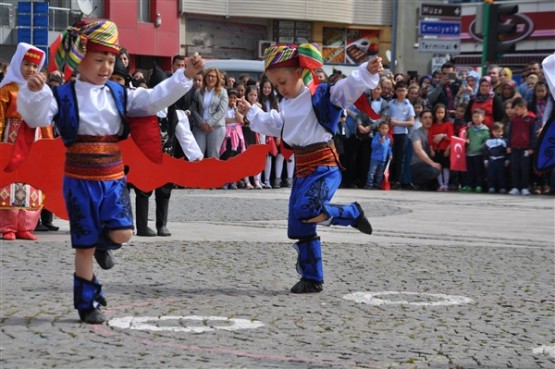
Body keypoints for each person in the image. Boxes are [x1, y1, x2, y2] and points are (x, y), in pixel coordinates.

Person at [17, 20, 204, 324]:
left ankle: (104, 244)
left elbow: (153, 99)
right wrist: (34, 93)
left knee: (123, 232)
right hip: (79, 179)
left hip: (113, 177)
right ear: (80, 59)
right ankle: (87, 304)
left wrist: (184, 76)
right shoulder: (62, 95)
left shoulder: (118, 93)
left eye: (110, 60)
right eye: (99, 59)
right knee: (84, 247)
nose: (106, 67)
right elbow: (35, 116)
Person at [238, 43, 378, 294]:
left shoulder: (323, 95)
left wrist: (366, 70)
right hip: (303, 168)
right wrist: (252, 112)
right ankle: (312, 278)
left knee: (308, 208)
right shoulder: (287, 104)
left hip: (325, 165)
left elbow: (348, 88)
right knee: (299, 224)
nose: (280, 89)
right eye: (276, 85)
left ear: (299, 73)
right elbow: (276, 124)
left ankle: (352, 213)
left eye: (282, 82)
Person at [0, 43, 47, 241]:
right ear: (18, 63)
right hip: (11, 138)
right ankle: (7, 225)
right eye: (27, 64)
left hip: (33, 141)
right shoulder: (7, 90)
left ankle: (25, 225)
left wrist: (47, 141)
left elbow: (46, 118)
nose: (31, 70)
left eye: (35, 67)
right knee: (10, 183)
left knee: (31, 183)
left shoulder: (41, 91)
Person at [191, 68, 228, 160]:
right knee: (198, 155)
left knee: (213, 156)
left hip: (216, 127)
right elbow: (194, 109)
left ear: (217, 78)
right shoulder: (198, 91)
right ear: (205, 78)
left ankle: (214, 174)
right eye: (209, 76)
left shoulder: (222, 92)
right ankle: (198, 174)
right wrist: (202, 123)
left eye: (213, 76)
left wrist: (209, 123)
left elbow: (222, 110)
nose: (211, 78)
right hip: (200, 126)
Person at [507, 97, 537, 196]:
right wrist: (509, 145)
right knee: (514, 168)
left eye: (516, 109)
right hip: (515, 147)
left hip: (526, 149)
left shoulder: (532, 119)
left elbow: (533, 134)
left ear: (524, 107)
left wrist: (532, 147)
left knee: (524, 169)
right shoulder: (514, 119)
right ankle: (515, 186)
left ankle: (524, 187)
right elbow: (510, 133)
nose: (515, 111)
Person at [388, 81, 414, 189]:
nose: (401, 93)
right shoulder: (390, 104)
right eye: (399, 90)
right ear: (395, 91)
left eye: (403, 90)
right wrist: (391, 123)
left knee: (400, 159)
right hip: (391, 134)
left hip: (402, 134)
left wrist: (397, 123)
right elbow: (385, 119)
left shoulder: (409, 106)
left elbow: (411, 122)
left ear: (407, 91)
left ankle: (397, 180)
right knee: (391, 157)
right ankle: (389, 179)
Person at [410, 109, 441, 190]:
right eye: (425, 118)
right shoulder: (416, 133)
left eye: (430, 118)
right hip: (418, 163)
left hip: (433, 162)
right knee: (435, 171)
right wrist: (432, 163)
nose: (428, 120)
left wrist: (443, 135)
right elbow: (418, 150)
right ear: (420, 120)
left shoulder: (437, 130)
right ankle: (415, 182)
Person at [461, 109, 490, 193]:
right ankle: (469, 185)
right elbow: (466, 137)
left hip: (479, 154)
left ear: (483, 118)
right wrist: (466, 141)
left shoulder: (485, 130)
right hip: (469, 153)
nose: (476, 118)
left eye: (478, 117)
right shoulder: (470, 129)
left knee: (479, 171)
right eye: (474, 117)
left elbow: (486, 142)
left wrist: (479, 147)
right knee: (470, 171)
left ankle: (479, 185)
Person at [429, 103, 454, 192]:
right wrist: (431, 150)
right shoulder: (433, 125)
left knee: (446, 168)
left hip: (445, 149)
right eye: (438, 113)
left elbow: (451, 138)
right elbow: (430, 138)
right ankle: (441, 184)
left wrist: (448, 149)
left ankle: (446, 185)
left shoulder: (448, 124)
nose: (440, 115)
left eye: (442, 113)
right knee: (438, 168)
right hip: (436, 150)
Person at [364, 121, 392, 189]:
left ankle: (378, 184)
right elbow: (373, 146)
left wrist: (390, 154)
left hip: (383, 159)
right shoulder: (376, 137)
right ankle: (369, 184)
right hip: (375, 158)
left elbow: (388, 148)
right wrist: (379, 142)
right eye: (382, 128)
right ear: (379, 129)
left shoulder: (388, 139)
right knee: (372, 172)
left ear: (388, 130)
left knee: (380, 173)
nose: (384, 130)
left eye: (386, 129)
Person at [484, 122, 508, 194]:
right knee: (491, 174)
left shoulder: (504, 141)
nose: (497, 133)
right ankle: (491, 187)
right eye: (495, 131)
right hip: (492, 160)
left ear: (502, 132)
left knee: (501, 175)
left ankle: (502, 187)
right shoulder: (488, 141)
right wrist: (485, 160)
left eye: (499, 131)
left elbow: (507, 151)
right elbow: (485, 152)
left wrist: (507, 159)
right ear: (492, 132)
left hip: (501, 159)